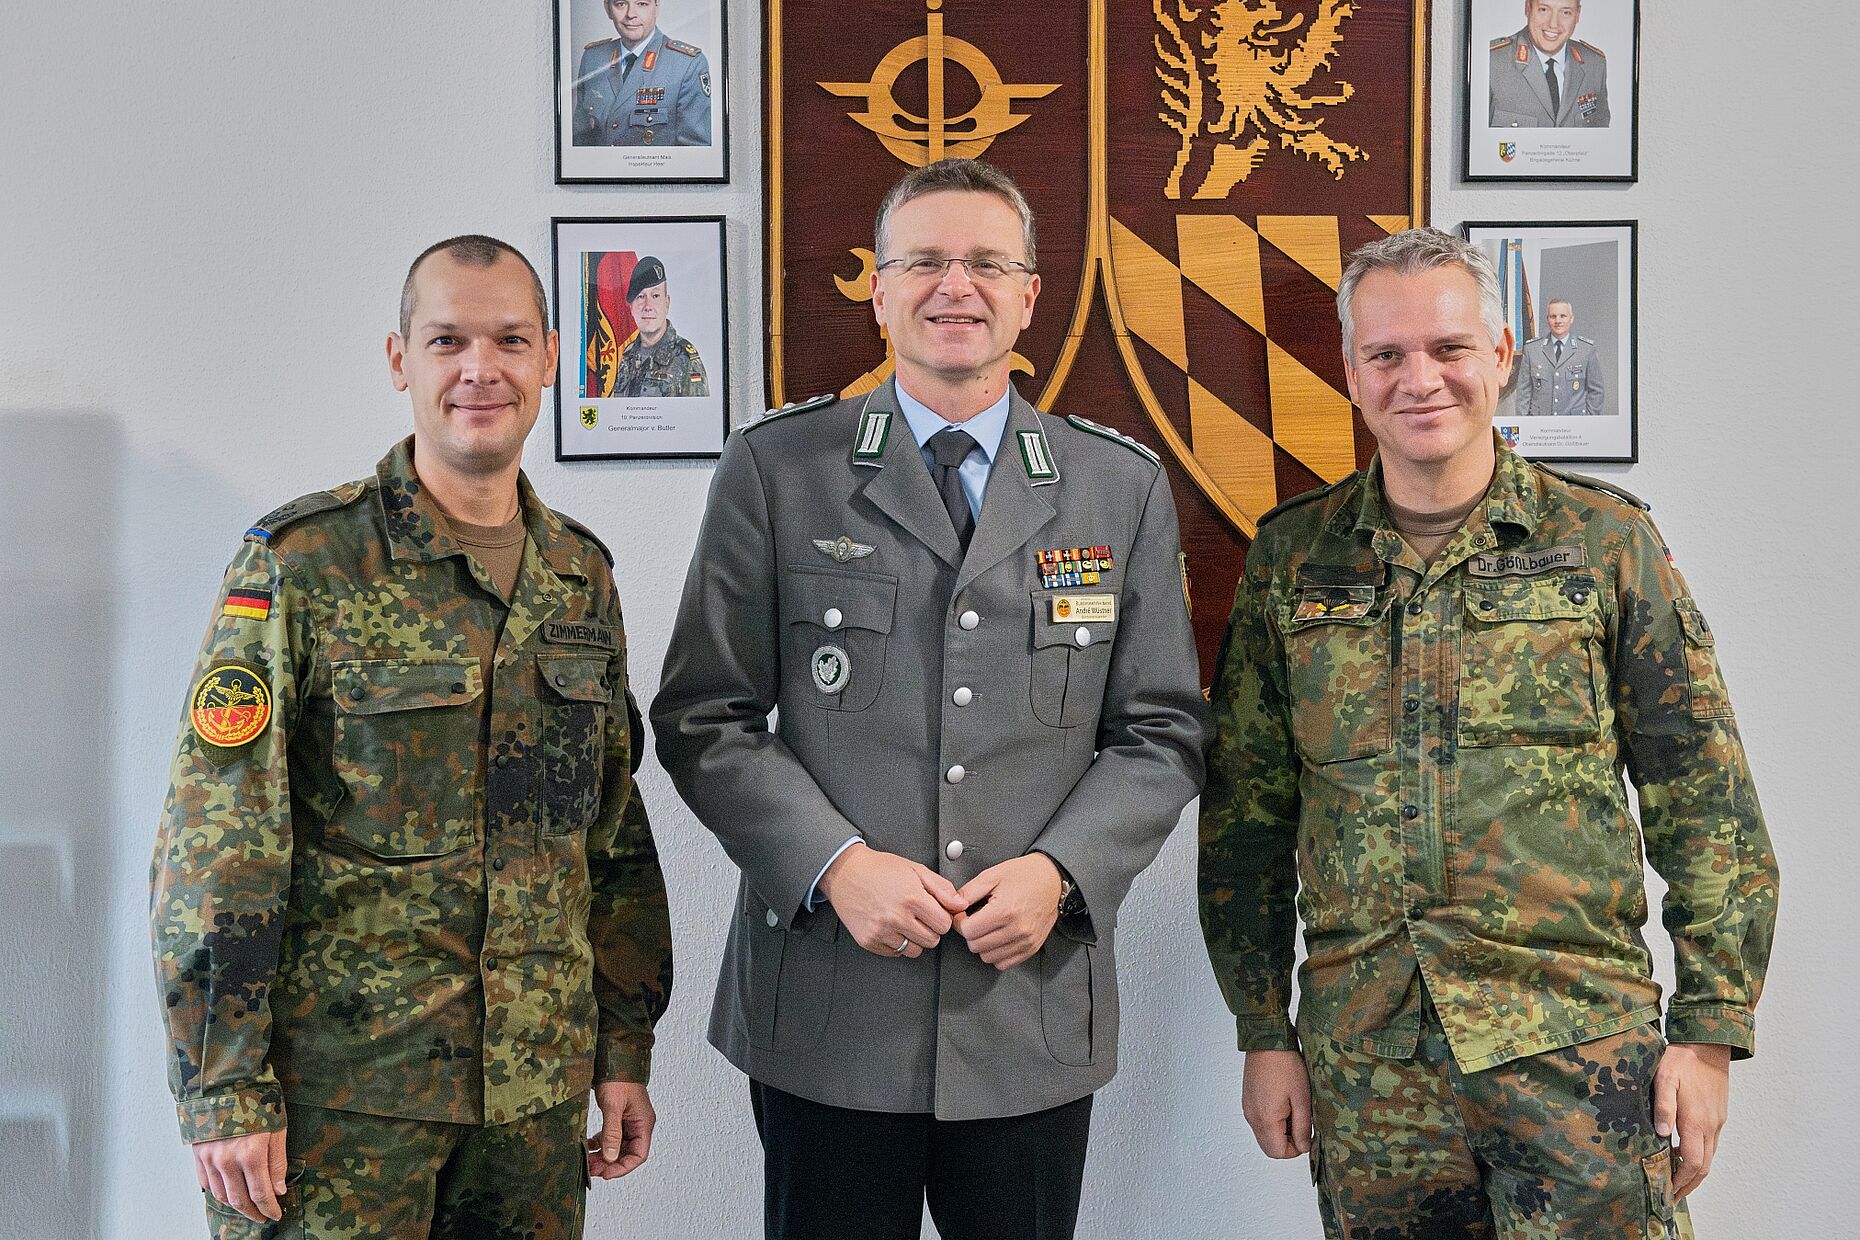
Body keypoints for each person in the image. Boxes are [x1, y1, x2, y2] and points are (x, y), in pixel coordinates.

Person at [653, 158, 1208, 1240]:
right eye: (925, 261)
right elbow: (703, 712)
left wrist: (1062, 872)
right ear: (878, 286)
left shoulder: (1115, 485)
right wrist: (834, 865)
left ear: (1030, 294)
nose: (957, 286)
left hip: (1026, 1007)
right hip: (828, 1000)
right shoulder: (778, 468)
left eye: (988, 262)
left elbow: (1162, 730)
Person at [1199, 227, 1777, 1239]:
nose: (1419, 378)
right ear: (1350, 373)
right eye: (1386, 355)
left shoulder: (1605, 545)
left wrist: (1712, 1031)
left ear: (1501, 356)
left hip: (1581, 1050)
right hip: (1372, 1063)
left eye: (1449, 348)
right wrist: (1263, 1028)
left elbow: (1704, 794)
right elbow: (1246, 814)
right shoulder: (1293, 562)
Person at [151, 235, 673, 1238]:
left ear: (553, 357)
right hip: (344, 1102)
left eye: (511, 340)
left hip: (531, 1098)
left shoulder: (579, 576)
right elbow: (220, 839)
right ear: (402, 361)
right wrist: (223, 1088)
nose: (482, 369)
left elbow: (609, 834)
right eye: (448, 341)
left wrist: (622, 1043)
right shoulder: (303, 562)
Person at [572, 0, 712, 147]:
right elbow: (580, 141)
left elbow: (695, 155)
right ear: (607, 8)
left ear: (656, 6)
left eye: (642, 4)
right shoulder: (593, 59)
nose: (631, 14)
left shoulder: (687, 64)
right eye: (621, 4)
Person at [1490, 1, 1609, 128]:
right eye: (1544, 10)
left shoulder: (1594, 63)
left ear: (1577, 15)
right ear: (1528, 8)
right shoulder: (1493, 61)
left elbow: (1599, 139)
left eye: (1565, 12)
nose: (1553, 24)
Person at [613, 256, 710, 397]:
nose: (647, 306)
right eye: (640, 297)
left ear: (667, 303)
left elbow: (698, 415)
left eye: (656, 296)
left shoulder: (685, 359)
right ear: (632, 308)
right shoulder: (627, 355)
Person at [1518, 299, 1606, 416]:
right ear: (1547, 319)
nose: (1558, 321)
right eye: (1553, 316)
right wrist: (1525, 424)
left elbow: (1597, 392)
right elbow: (1523, 393)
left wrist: (1588, 421)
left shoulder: (1586, 350)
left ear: (1571, 318)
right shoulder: (1532, 350)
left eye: (1563, 316)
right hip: (1540, 426)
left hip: (1575, 426)